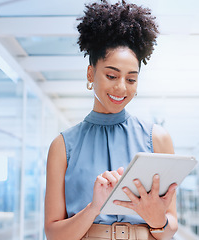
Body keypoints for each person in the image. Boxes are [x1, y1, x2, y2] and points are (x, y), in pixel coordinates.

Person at [44, 1, 178, 239]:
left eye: (131, 79)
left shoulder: (157, 138)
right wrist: (94, 207)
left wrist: (154, 216)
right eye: (111, 75)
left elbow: (171, 227)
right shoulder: (63, 146)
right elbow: (53, 233)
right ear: (90, 73)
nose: (120, 87)